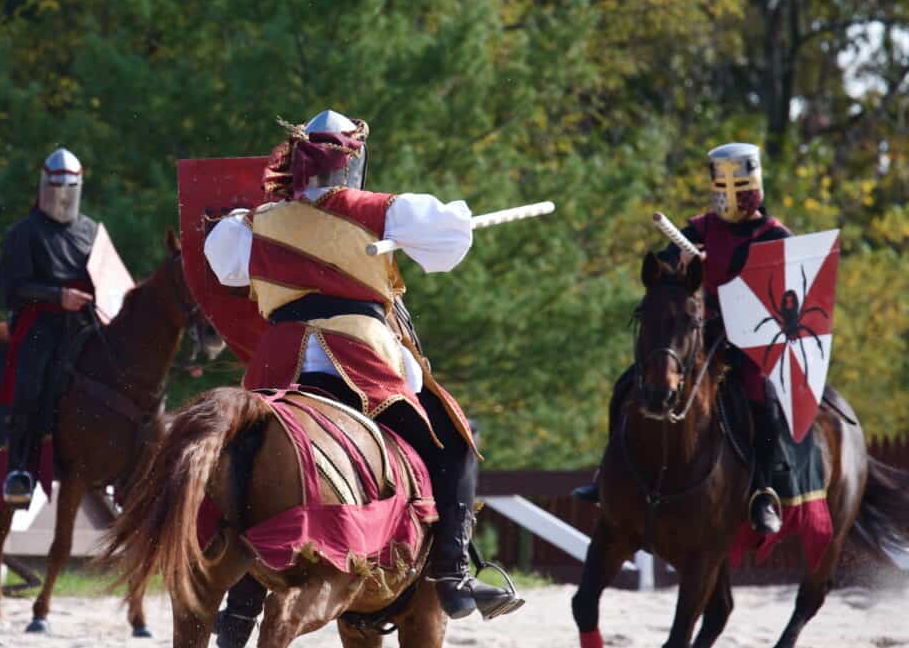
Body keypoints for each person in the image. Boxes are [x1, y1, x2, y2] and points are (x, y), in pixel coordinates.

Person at [204, 110, 522, 647]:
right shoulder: (382, 211)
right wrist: (457, 223)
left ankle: (241, 602)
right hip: (359, 360)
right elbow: (449, 245)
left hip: (277, 366)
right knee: (454, 440)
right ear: (352, 164)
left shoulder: (254, 222)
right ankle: (451, 573)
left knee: (246, 459)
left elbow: (225, 266)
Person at [573, 143, 791, 535]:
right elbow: (663, 268)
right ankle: (608, 474)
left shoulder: (774, 236)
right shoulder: (700, 229)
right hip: (694, 336)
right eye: (723, 188)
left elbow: (784, 295)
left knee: (764, 399)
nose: (729, 197)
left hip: (747, 340)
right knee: (628, 384)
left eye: (737, 188)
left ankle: (762, 491)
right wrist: (681, 262)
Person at [0, 147, 97, 504]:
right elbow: (13, 288)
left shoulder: (91, 231)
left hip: (85, 324)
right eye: (57, 186)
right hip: (39, 324)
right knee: (31, 387)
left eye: (70, 186)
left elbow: (107, 277)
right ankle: (18, 469)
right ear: (44, 185)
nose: (63, 194)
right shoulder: (24, 233)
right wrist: (57, 296)